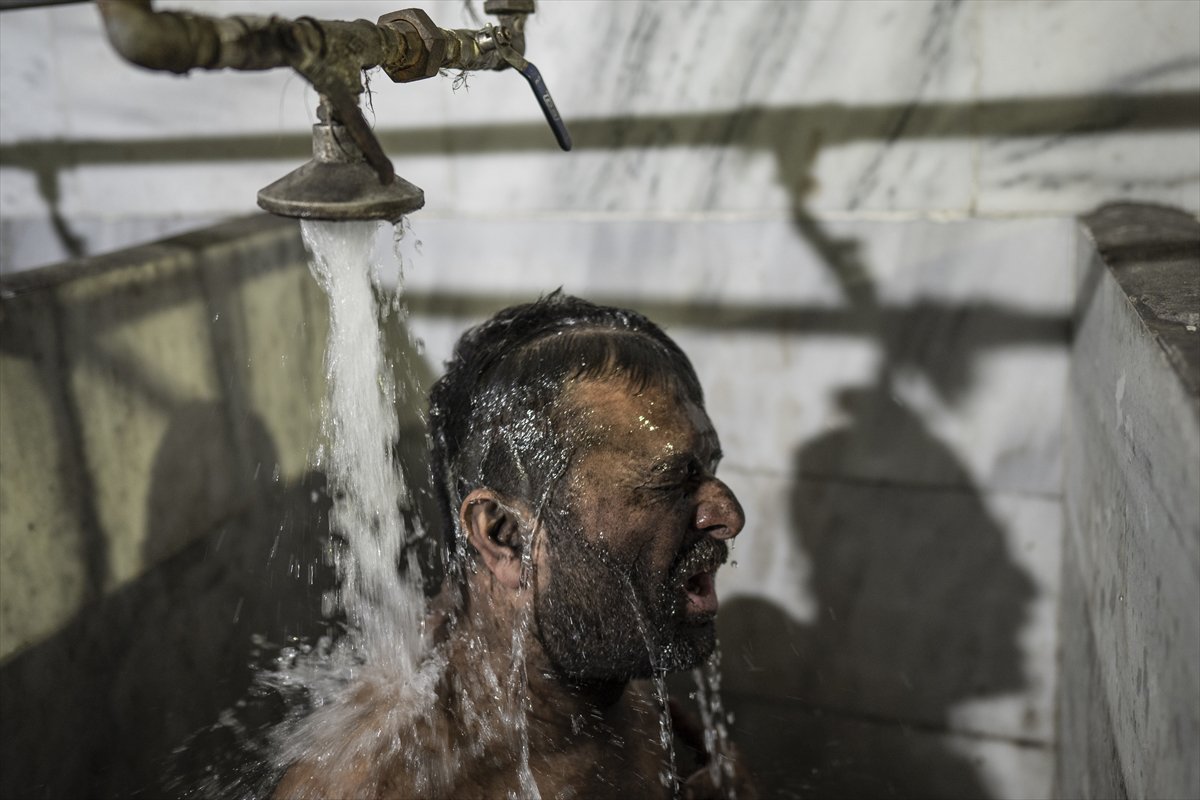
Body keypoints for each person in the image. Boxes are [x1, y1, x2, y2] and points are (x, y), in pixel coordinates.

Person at [275, 292, 752, 799]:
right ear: (505, 536)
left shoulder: (610, 661)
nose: (729, 516)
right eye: (669, 481)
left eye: (707, 469)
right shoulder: (378, 785)